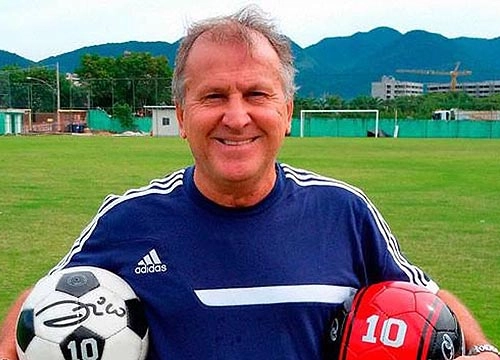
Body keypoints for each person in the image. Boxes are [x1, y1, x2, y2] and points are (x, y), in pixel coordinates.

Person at [1, 6, 498, 360]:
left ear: (286, 113)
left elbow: (423, 297)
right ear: (181, 114)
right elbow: (43, 303)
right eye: (213, 95)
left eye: (257, 94)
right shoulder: (127, 220)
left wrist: (480, 349)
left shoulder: (343, 210)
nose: (236, 117)